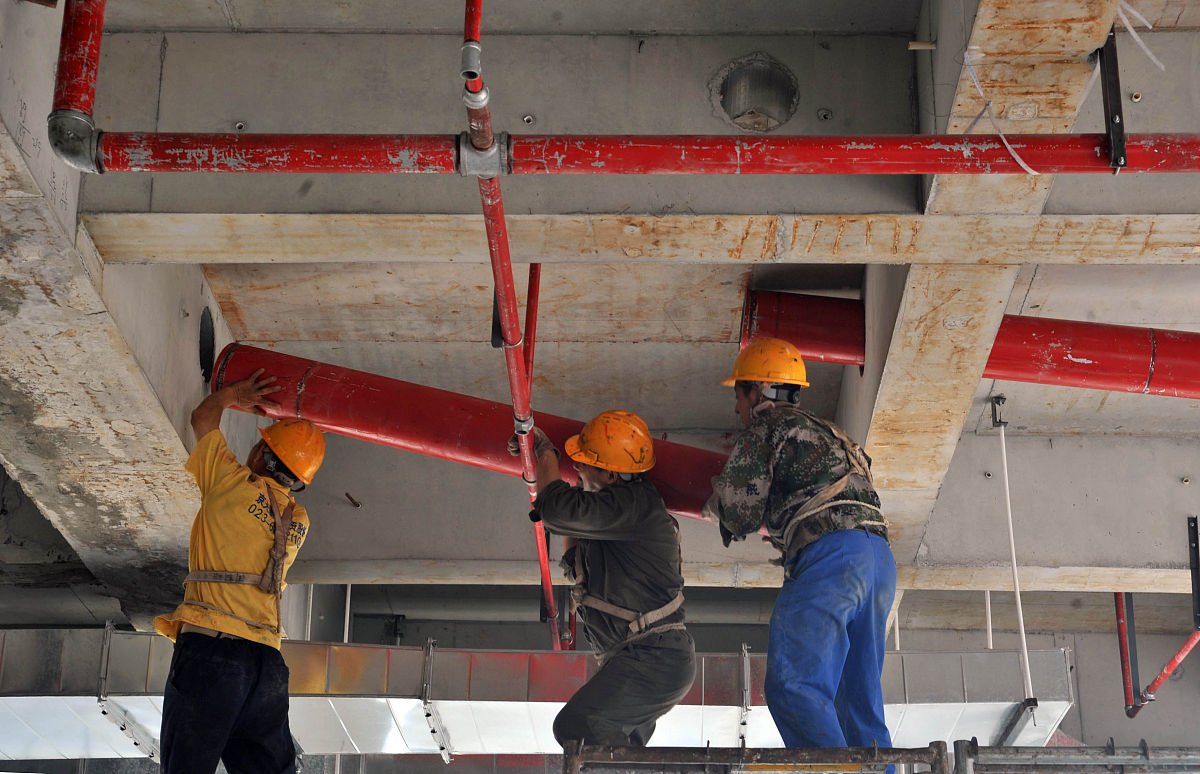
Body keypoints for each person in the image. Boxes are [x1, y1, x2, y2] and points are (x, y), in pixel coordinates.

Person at [704, 337, 895, 756]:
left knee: (794, 686)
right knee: (857, 699)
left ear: (757, 392)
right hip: (878, 558)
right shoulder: (828, 432)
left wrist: (714, 500)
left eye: (739, 395)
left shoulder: (767, 428)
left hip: (832, 558)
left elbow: (740, 513)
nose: (737, 408)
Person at [154, 368, 326, 774]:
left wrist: (232, 393)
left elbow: (202, 418)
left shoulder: (229, 483)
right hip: (265, 666)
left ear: (257, 455)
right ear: (299, 482)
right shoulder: (297, 519)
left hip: (214, 654)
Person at [513, 410, 696, 746]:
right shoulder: (619, 520)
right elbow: (573, 558)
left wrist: (545, 453)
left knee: (577, 727)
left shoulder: (634, 504)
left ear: (613, 475)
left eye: (584, 462)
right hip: (645, 659)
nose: (576, 466)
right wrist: (570, 493)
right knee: (612, 751)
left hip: (653, 657)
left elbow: (556, 512)